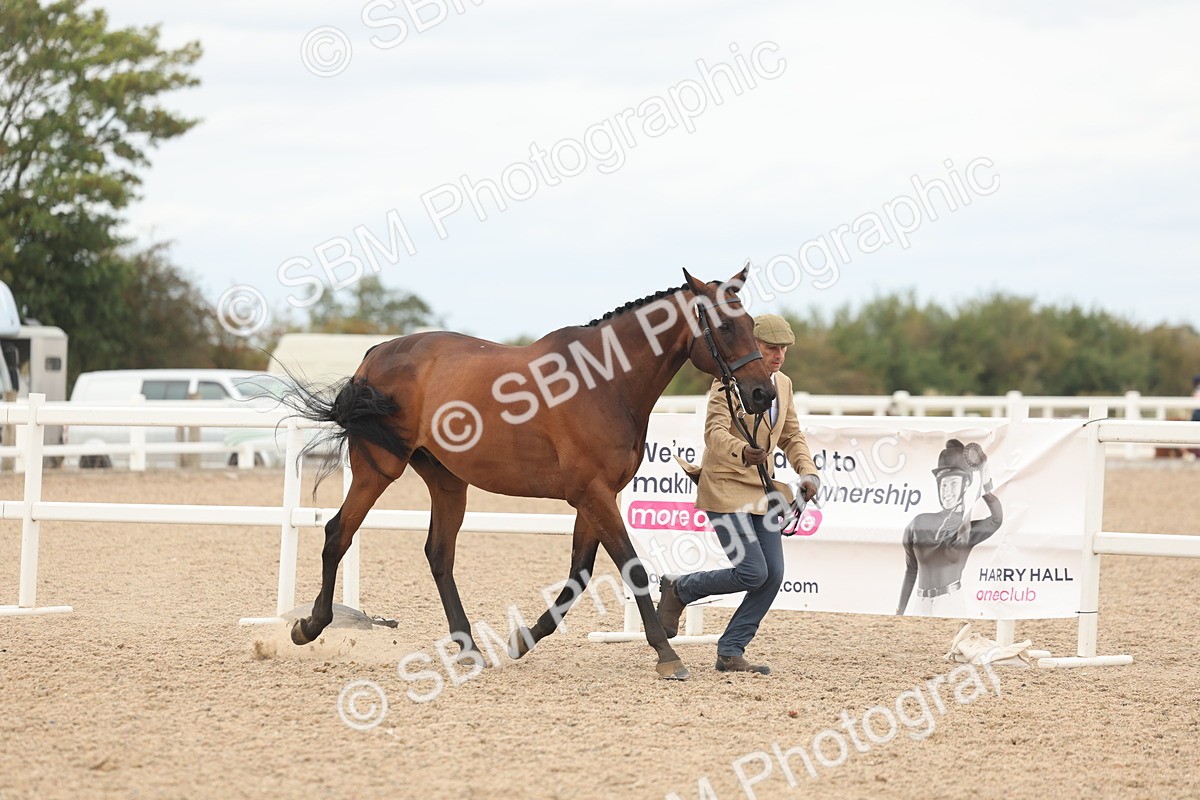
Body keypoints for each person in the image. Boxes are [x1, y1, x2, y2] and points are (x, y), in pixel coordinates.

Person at [658, 314, 820, 675]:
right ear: (753, 346)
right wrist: (741, 451)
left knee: (772, 574)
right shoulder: (725, 384)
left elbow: (792, 436)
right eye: (770, 348)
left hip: (763, 490)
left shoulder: (785, 385)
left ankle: (731, 650)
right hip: (725, 486)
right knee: (752, 571)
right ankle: (680, 589)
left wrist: (807, 471)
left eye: (783, 349)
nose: (778, 355)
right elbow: (713, 432)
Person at [895, 439, 1003, 616]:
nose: (947, 491)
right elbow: (911, 569)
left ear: (966, 484)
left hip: (950, 602)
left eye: (953, 483)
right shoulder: (918, 523)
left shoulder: (966, 527)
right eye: (943, 484)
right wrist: (900, 611)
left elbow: (996, 520)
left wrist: (985, 478)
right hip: (920, 603)